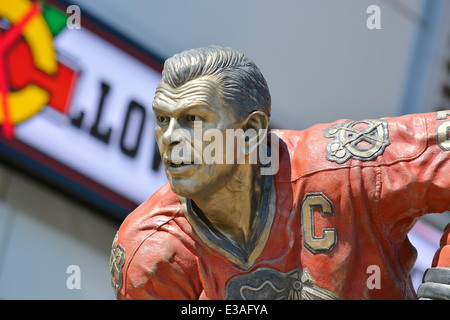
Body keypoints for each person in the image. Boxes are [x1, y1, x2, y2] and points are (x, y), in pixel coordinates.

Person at [109, 45, 450, 300]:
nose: (169, 138)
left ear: (252, 131)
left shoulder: (346, 167)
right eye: (162, 119)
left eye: (193, 120)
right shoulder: (150, 252)